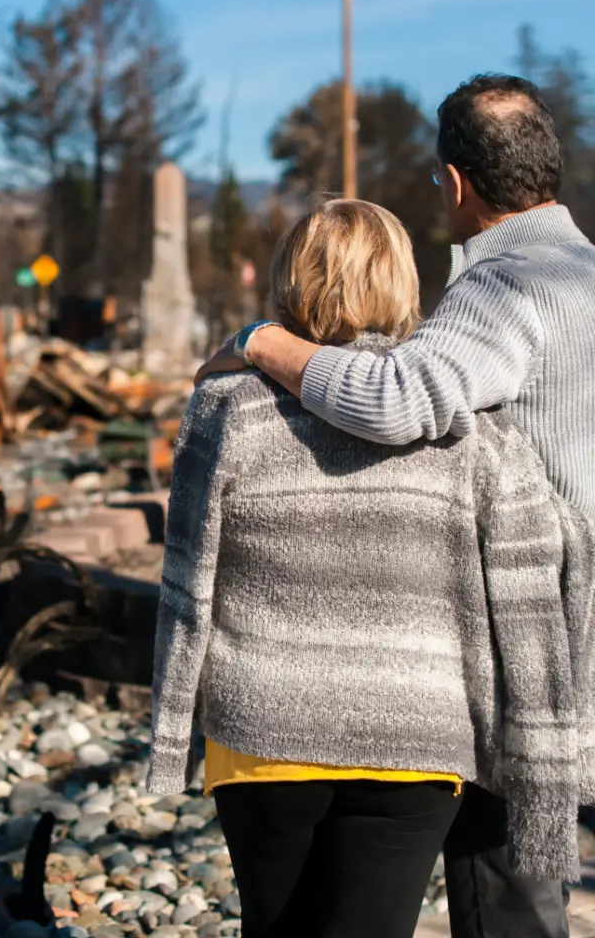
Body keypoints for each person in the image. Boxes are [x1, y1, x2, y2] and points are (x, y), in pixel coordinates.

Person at [195, 74, 595, 938]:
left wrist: (259, 342)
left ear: (453, 184)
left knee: (506, 895)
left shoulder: (506, 289)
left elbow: (394, 399)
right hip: (567, 633)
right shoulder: (585, 276)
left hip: (526, 633)